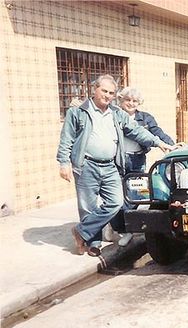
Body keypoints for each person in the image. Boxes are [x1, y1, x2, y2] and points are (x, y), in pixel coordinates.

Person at [57, 74, 175, 256]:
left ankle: (80, 231)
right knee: (88, 206)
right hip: (86, 165)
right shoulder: (78, 112)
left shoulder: (117, 114)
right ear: (94, 89)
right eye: (104, 91)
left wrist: (158, 142)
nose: (107, 95)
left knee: (116, 202)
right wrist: (64, 162)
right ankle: (93, 243)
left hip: (110, 165)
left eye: (111, 93)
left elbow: (137, 131)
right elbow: (67, 139)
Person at [112, 86, 183, 246]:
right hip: (119, 160)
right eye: (127, 100)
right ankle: (122, 229)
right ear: (121, 100)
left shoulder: (145, 118)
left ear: (139, 102)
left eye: (134, 101)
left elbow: (157, 132)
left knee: (135, 194)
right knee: (117, 194)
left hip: (137, 159)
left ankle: (123, 226)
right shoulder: (115, 116)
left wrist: (172, 145)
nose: (131, 103)